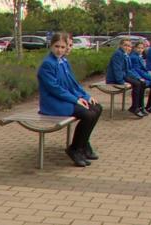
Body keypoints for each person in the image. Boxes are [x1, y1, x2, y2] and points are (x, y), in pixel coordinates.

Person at [38, 32, 102, 167]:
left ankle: (82, 145)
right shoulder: (48, 64)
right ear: (51, 46)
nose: (59, 50)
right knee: (87, 114)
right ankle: (75, 148)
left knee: (97, 108)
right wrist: (75, 100)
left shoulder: (63, 61)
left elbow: (73, 84)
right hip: (53, 103)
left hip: (64, 99)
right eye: (57, 46)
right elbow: (55, 89)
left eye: (62, 47)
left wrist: (85, 97)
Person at [107, 38, 146, 118]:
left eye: (129, 46)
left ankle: (140, 106)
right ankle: (134, 108)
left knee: (141, 82)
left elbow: (129, 70)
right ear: (121, 45)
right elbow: (117, 70)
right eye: (125, 45)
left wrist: (138, 77)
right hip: (115, 78)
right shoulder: (118, 54)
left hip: (123, 75)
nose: (127, 48)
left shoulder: (126, 54)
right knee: (137, 84)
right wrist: (121, 82)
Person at [129, 42, 151, 113]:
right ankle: (143, 107)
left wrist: (148, 76)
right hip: (138, 77)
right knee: (147, 85)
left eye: (142, 48)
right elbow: (138, 70)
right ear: (134, 48)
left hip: (141, 76)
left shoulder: (138, 56)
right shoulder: (134, 57)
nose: (140, 50)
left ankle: (148, 106)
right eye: (138, 48)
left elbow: (142, 70)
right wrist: (150, 77)